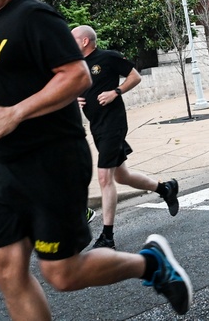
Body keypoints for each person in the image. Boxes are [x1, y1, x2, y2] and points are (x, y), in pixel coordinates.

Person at [0, 0, 191, 318]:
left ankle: (151, 264)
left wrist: (18, 113)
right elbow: (2, 93)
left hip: (50, 160)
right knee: (6, 272)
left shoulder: (34, 17)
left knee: (62, 273)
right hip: (8, 166)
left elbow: (76, 76)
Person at [71, 25, 180, 250]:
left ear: (84, 42)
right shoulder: (78, 66)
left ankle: (107, 237)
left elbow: (135, 76)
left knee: (104, 178)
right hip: (97, 127)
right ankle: (165, 189)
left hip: (114, 124)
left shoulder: (107, 57)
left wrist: (116, 92)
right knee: (122, 176)